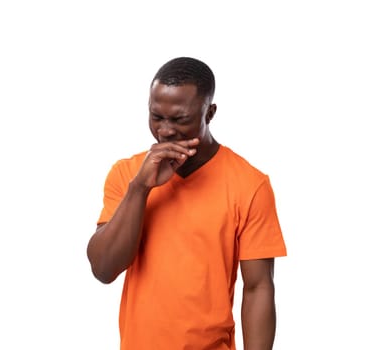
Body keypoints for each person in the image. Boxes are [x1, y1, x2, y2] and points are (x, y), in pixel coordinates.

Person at [86, 56, 287, 350]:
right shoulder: (127, 175)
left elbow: (258, 288)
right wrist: (140, 189)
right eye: (156, 117)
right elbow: (103, 269)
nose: (165, 130)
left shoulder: (250, 184)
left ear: (210, 113)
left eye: (180, 119)